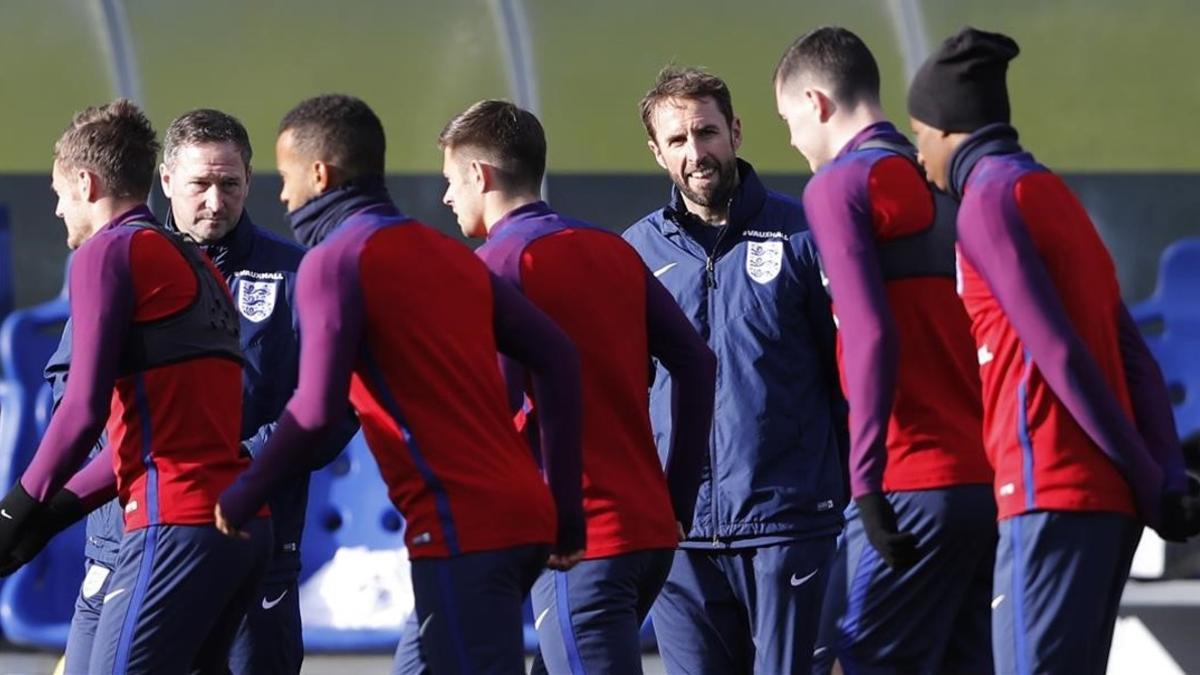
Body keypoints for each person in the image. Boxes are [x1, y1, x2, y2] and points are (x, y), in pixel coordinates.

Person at [214, 94, 586, 675]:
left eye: (285, 179)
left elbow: (314, 411)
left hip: (464, 529)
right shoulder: (449, 252)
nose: (282, 198)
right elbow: (559, 359)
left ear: (319, 174)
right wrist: (563, 507)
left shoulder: (333, 261)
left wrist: (240, 493)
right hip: (518, 515)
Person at [907, 27, 1200, 675]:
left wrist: (1154, 481)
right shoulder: (1053, 196)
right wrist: (1162, 479)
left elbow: (1059, 354)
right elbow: (1134, 355)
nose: (919, 154)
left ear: (949, 128)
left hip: (1048, 494)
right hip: (1103, 507)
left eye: (920, 132)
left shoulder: (986, 201)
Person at [30, 108, 349, 675]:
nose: (214, 200)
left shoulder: (299, 275)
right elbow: (68, 389)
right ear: (167, 180)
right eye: (201, 184)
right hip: (124, 537)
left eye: (230, 184)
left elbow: (334, 405)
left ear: (250, 181)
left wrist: (245, 459)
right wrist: (127, 461)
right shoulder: (121, 262)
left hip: (252, 536)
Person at [436, 99, 716, 673]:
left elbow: (496, 412)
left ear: (478, 176)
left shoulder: (495, 266)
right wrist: (676, 498)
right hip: (649, 532)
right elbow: (696, 363)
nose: (445, 199)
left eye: (448, 181)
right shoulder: (613, 249)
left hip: (578, 546)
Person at [0, 99, 271, 673]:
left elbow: (82, 410)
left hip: (175, 523)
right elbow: (161, 437)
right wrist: (50, 518)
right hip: (241, 528)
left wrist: (12, 513)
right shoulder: (196, 263)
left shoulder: (109, 251)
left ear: (85, 180)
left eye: (58, 192)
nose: (55, 209)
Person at [773, 26, 996, 674]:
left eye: (788, 119)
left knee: (849, 660)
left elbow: (869, 332)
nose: (790, 139)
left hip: (910, 480)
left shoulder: (839, 186)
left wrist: (865, 479)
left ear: (815, 102)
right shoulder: (946, 184)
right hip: (983, 482)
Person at [623, 67, 847, 674]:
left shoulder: (804, 234)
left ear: (736, 132)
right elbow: (626, 392)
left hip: (787, 526)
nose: (696, 153)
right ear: (656, 151)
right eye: (677, 140)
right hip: (682, 540)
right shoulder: (636, 254)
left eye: (707, 132)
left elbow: (847, 375)